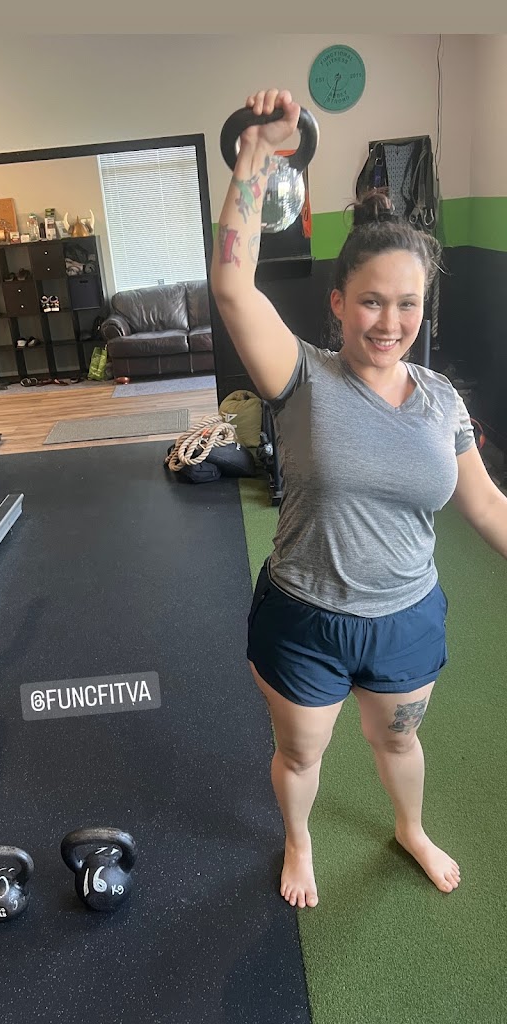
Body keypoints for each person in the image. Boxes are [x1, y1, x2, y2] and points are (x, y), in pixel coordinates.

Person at [210, 88, 507, 910]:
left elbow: (487, 506)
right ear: (338, 302)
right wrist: (257, 153)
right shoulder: (302, 377)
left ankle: (410, 828)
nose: (389, 321)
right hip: (306, 615)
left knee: (397, 742)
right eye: (371, 300)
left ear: (423, 308)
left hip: (407, 617)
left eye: (407, 303)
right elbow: (232, 287)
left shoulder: (444, 401)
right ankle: (299, 840)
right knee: (301, 754)